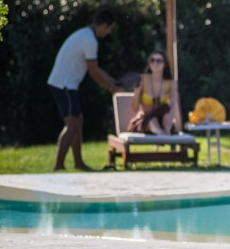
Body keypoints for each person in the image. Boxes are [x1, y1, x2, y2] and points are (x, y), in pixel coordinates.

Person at [47, 9, 120, 171]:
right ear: (104, 25)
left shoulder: (85, 34)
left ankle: (79, 163)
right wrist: (111, 87)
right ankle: (58, 166)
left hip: (66, 84)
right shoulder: (90, 41)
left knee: (78, 121)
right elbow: (93, 71)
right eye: (109, 28)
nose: (109, 32)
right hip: (64, 85)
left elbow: (96, 69)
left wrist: (114, 82)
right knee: (72, 124)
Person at [127, 50, 180, 135]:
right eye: (152, 60)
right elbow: (134, 109)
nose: (155, 63)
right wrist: (136, 92)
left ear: (165, 64)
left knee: (167, 117)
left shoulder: (171, 83)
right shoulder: (142, 80)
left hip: (164, 120)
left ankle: (164, 133)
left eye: (159, 61)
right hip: (146, 120)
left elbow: (174, 106)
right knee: (152, 121)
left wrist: (172, 120)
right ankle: (161, 134)